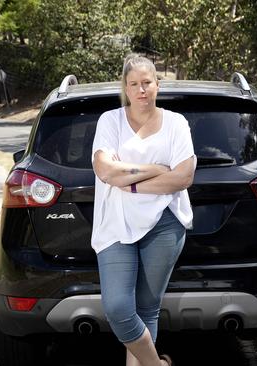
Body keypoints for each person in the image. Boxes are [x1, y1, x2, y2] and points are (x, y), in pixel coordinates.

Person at [91, 55, 195, 366]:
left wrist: (133, 183)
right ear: (125, 87)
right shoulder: (110, 121)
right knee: (119, 307)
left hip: (165, 222)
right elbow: (106, 170)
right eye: (134, 84)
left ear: (157, 85)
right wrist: (154, 168)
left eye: (147, 83)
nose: (141, 90)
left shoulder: (176, 123)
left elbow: (183, 176)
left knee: (147, 307)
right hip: (116, 223)